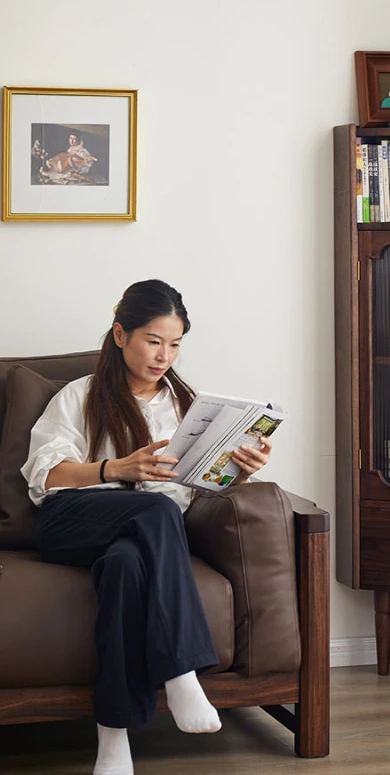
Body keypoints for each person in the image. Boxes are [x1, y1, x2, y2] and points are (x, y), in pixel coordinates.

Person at [21, 280, 272, 775]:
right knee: (156, 510)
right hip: (72, 521)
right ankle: (180, 667)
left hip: (140, 538)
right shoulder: (81, 394)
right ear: (120, 335)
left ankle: (113, 738)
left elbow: (197, 486)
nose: (164, 355)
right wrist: (117, 470)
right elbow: (43, 473)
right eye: (153, 341)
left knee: (125, 567)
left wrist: (239, 469)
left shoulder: (187, 407)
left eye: (175, 344)